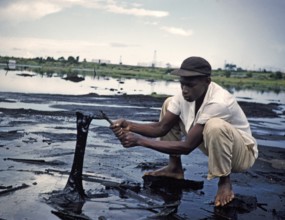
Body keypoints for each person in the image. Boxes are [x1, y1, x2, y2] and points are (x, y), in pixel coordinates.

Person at [111, 56, 258, 207]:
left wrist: (140, 141)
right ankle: (174, 167)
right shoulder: (183, 96)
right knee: (169, 103)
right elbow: (161, 127)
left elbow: (187, 147)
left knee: (215, 126)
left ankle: (224, 181)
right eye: (182, 84)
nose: (184, 90)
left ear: (207, 82)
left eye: (190, 85)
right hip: (214, 145)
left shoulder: (219, 102)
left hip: (241, 155)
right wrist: (128, 125)